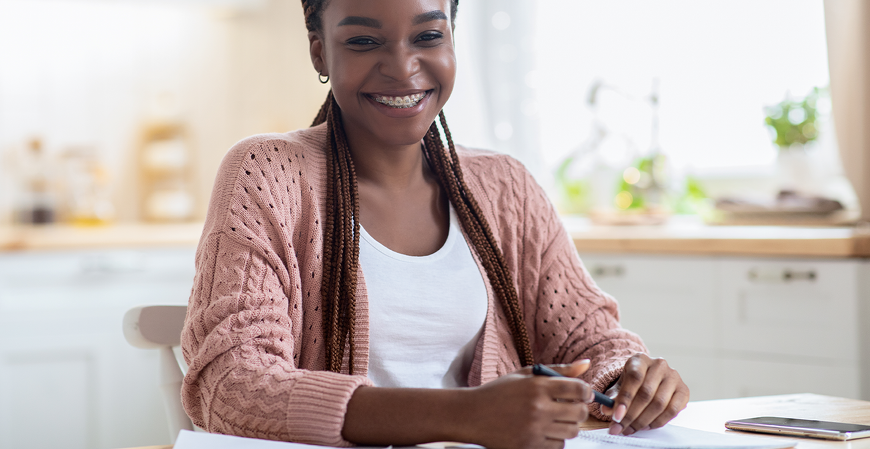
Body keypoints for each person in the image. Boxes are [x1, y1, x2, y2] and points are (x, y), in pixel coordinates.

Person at [180, 0, 690, 448]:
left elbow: (590, 338)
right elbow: (232, 385)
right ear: (320, 53)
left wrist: (629, 377)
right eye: (363, 41)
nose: (403, 68)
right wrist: (466, 416)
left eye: (427, 36)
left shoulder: (506, 185)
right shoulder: (266, 174)